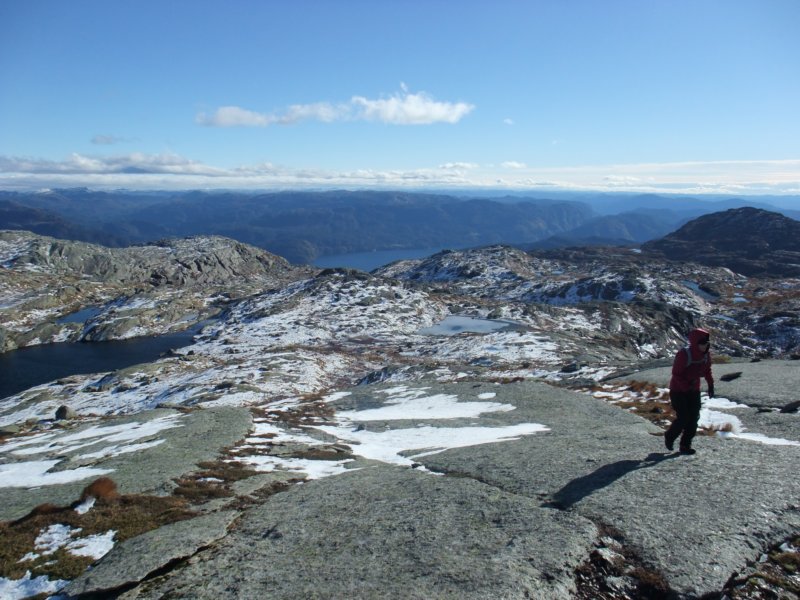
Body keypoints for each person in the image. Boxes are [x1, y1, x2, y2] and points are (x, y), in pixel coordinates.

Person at [665, 327, 715, 455]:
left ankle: (685, 446)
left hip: (693, 391)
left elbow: (707, 370)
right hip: (678, 391)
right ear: (695, 343)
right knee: (683, 417)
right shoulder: (684, 354)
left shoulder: (706, 355)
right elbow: (676, 374)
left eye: (707, 343)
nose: (706, 346)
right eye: (703, 343)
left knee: (694, 418)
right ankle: (670, 436)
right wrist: (686, 387)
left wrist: (710, 385)